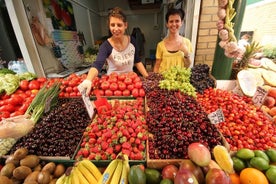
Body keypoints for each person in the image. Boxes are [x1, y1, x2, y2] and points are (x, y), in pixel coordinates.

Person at [78, 7, 148, 95]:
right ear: (109, 26)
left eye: (119, 25)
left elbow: (137, 61)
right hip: (113, 86)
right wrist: (88, 80)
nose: (115, 29)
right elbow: (98, 64)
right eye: (112, 25)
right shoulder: (106, 46)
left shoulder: (132, 41)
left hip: (130, 83)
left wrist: (147, 77)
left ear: (125, 25)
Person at [153, 8, 192, 73]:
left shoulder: (186, 42)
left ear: (181, 23)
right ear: (167, 24)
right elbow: (157, 65)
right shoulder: (160, 45)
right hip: (163, 81)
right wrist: (154, 80)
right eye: (171, 21)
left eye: (177, 21)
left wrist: (186, 53)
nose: (174, 24)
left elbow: (187, 66)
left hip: (179, 81)